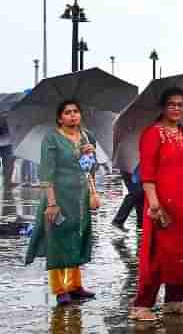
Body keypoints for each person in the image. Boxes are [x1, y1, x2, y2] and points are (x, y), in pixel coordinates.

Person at [130, 88, 183, 321]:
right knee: (158, 254)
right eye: (171, 104)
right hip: (162, 202)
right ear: (162, 107)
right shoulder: (152, 134)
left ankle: (174, 300)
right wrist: (154, 203)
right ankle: (142, 306)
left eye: (180, 104)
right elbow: (147, 173)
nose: (176, 108)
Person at [24, 99, 101, 307]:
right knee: (58, 241)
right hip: (58, 196)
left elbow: (90, 169)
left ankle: (75, 285)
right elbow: (47, 172)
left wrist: (93, 190)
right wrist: (51, 203)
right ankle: (60, 289)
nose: (73, 115)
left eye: (76, 111)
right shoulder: (52, 139)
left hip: (80, 197)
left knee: (77, 236)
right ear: (60, 118)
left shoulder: (87, 137)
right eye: (67, 112)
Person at [112, 165, 144, 231]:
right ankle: (118, 220)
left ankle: (141, 224)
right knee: (137, 193)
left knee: (140, 197)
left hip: (134, 172)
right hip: (131, 172)